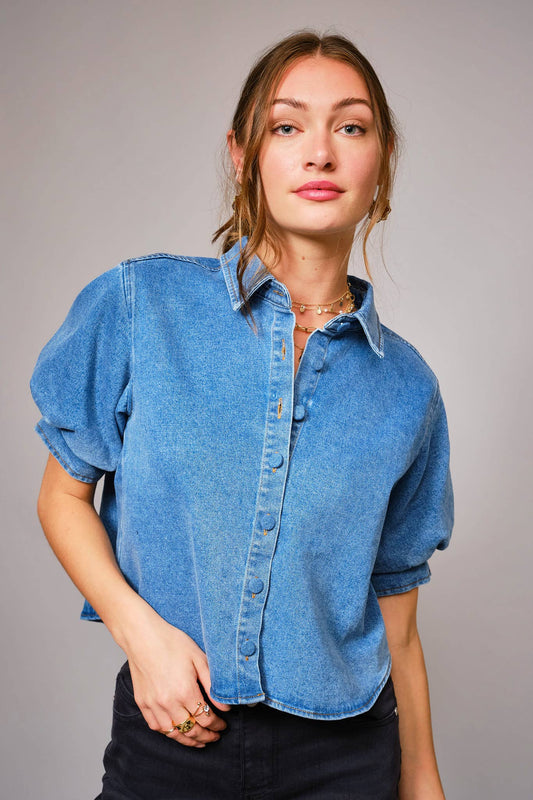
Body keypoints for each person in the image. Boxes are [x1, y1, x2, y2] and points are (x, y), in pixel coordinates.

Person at [30, 29, 454, 800]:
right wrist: (141, 636)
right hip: (171, 735)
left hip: (347, 760)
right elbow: (62, 496)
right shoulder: (141, 306)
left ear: (381, 159)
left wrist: (421, 780)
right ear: (241, 153)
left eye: (350, 127)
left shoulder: (406, 387)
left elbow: (397, 619)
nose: (319, 153)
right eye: (287, 126)